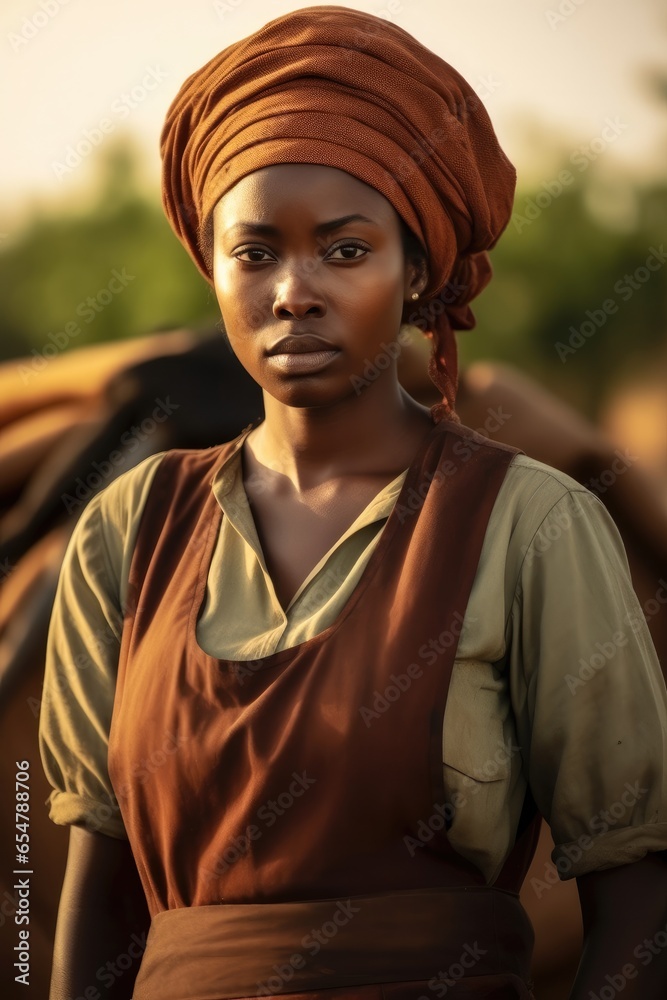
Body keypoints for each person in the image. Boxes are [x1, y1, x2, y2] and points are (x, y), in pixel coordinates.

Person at [39, 7, 667, 999]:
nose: (293, 291)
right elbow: (84, 908)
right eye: (255, 254)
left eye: (343, 250)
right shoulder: (126, 532)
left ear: (415, 271)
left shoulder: (529, 524)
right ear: (211, 269)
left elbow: (639, 897)